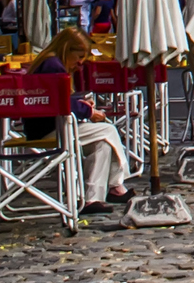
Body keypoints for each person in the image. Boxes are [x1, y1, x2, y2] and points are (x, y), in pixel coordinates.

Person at [24, 27, 133, 210]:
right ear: (67, 49)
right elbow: (58, 101)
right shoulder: (52, 65)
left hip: (50, 126)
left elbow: (56, 98)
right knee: (108, 130)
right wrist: (87, 111)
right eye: (80, 56)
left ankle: (92, 199)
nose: (81, 62)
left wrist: (80, 103)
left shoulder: (51, 63)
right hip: (50, 130)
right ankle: (116, 185)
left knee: (103, 144)